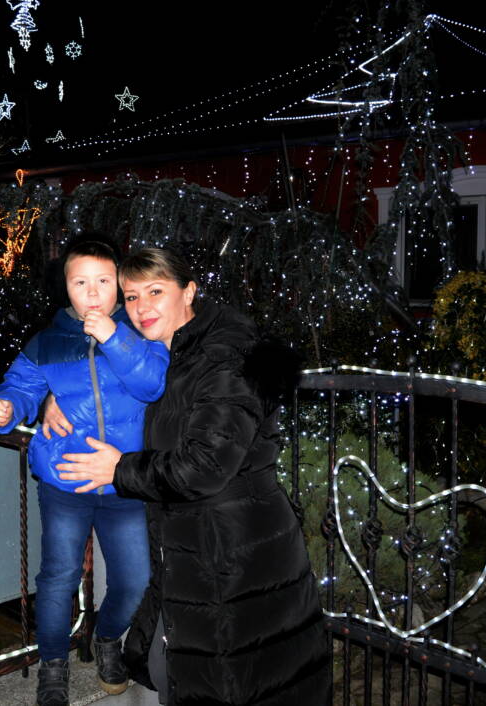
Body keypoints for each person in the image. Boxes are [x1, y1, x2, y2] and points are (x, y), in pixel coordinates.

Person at [55, 248, 332, 705]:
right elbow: (105, 385)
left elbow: (205, 466)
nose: (141, 307)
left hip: (232, 558)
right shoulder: (170, 351)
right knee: (188, 673)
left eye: (155, 291)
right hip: (197, 552)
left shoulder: (224, 358)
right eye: (131, 296)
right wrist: (56, 403)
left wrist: (119, 469)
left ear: (189, 292)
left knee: (234, 681)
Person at [0, 238, 169, 706]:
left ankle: (106, 638)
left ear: (118, 285)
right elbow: (20, 386)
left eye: (103, 281)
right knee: (58, 577)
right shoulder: (47, 342)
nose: (92, 292)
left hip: (123, 482)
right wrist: (3, 407)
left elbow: (152, 383)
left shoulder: (140, 331)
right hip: (65, 480)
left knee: (134, 578)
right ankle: (53, 664)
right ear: (65, 287)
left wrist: (113, 337)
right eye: (79, 282)